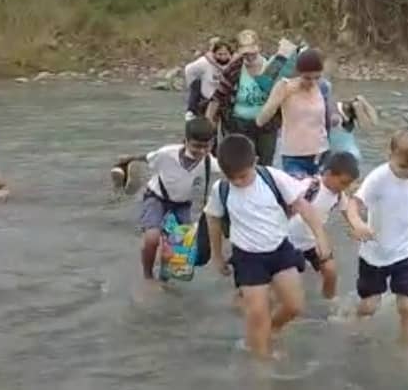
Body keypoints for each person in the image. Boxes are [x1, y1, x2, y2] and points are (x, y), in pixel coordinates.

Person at [204, 134, 331, 360]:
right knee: (257, 314)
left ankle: (272, 330)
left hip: (279, 250)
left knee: (294, 306)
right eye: (232, 178)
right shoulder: (221, 189)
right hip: (247, 257)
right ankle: (261, 366)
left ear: (255, 161)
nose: (239, 182)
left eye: (243, 176)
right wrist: (217, 255)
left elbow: (304, 207)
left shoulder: (272, 177)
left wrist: (320, 237)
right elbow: (213, 220)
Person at [344, 128, 408, 346]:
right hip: (375, 254)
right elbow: (353, 204)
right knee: (370, 306)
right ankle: (353, 324)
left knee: (407, 306)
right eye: (404, 166)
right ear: (390, 154)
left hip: (405, 252)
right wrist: (358, 224)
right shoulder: (378, 178)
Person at [114, 117, 219, 286]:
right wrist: (126, 161)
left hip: (183, 205)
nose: (200, 151)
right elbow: (146, 158)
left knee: (180, 251)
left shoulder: (210, 162)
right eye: (195, 146)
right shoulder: (167, 154)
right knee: (151, 238)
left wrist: (254, 167)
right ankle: (148, 277)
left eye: (205, 146)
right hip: (157, 197)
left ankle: (164, 278)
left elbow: (231, 169)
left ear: (212, 144)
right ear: (185, 141)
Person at [205, 30, 294, 166]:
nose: (249, 56)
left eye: (252, 52)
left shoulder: (272, 67)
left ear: (259, 48)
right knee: (241, 163)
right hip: (238, 125)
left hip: (267, 126)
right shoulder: (234, 69)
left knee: (265, 164)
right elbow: (218, 96)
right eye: (245, 53)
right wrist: (208, 122)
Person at [287, 151, 360, 302]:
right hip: (288, 242)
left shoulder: (339, 195)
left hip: (313, 242)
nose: (345, 187)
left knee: (330, 271)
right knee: (286, 283)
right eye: (343, 182)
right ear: (328, 173)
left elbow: (349, 215)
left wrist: (360, 229)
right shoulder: (310, 186)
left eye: (349, 184)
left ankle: (329, 302)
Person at [257, 48, 336, 178]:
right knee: (297, 194)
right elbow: (261, 120)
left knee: (318, 195)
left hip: (321, 153)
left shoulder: (323, 87)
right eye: (307, 78)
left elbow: (328, 118)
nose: (312, 82)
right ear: (299, 73)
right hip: (293, 156)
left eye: (317, 77)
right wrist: (277, 98)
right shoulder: (285, 87)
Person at [184, 37, 233, 123]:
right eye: (220, 54)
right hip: (207, 99)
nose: (223, 57)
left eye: (225, 54)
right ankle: (191, 111)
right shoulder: (204, 62)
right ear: (213, 53)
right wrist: (193, 86)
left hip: (226, 102)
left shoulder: (234, 63)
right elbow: (188, 70)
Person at [328, 95, 378, 167]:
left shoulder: (338, 112)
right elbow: (370, 124)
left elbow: (370, 124)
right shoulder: (338, 114)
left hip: (343, 156)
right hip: (348, 155)